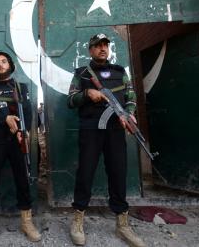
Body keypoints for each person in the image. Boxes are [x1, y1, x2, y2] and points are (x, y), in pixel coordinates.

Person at [66, 33, 146, 247]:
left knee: (118, 173)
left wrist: (129, 113)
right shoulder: (82, 74)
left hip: (115, 129)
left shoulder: (120, 72)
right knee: (85, 172)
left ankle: (122, 224)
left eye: (105, 45)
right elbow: (71, 99)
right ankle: (78, 220)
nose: (102, 49)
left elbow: (130, 95)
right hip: (91, 129)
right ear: (90, 50)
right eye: (98, 46)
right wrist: (87, 94)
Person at [0, 51, 41, 247]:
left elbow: (27, 111)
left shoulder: (21, 88)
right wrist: (4, 119)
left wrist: (24, 131)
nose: (1, 65)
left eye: (4, 61)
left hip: (17, 141)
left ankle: (26, 223)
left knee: (23, 181)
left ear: (10, 65)